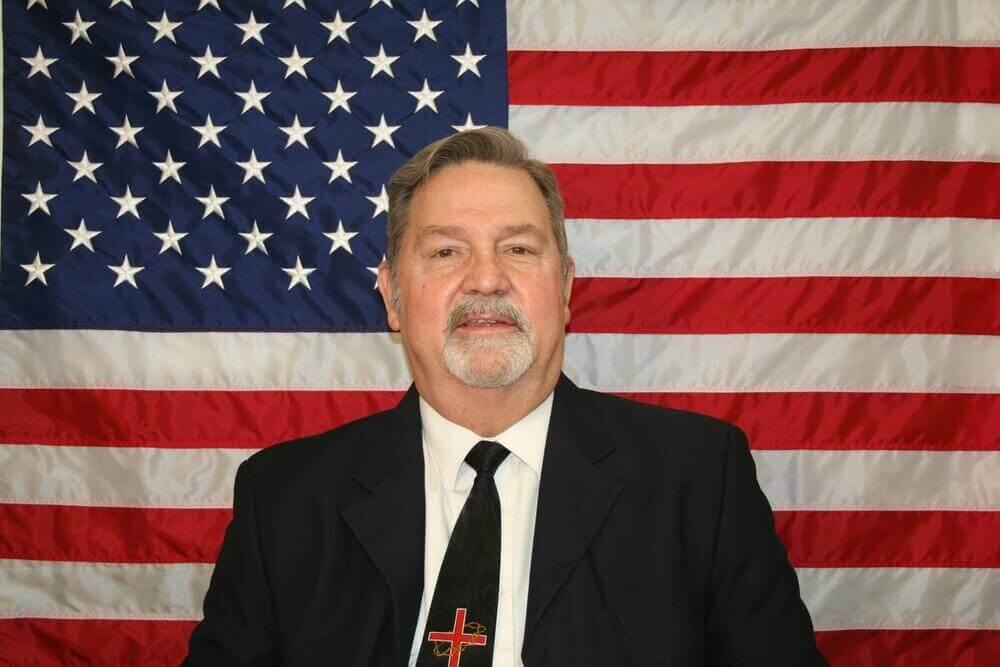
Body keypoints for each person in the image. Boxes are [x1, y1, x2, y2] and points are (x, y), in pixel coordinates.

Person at [185, 127, 827, 666]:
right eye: (445, 251)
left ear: (567, 287)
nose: (486, 278)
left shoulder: (697, 478)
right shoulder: (286, 498)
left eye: (518, 249)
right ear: (392, 297)